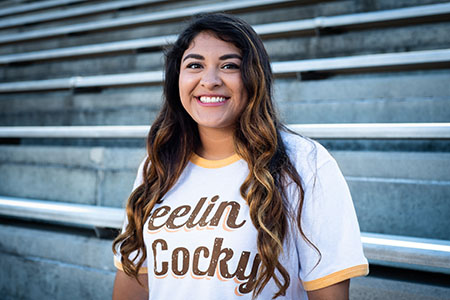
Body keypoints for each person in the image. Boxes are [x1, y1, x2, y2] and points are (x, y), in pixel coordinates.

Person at [112, 13, 368, 300]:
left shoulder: (304, 162)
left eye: (229, 65)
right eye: (195, 65)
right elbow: (133, 282)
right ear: (177, 79)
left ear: (253, 77)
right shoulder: (158, 164)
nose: (209, 81)